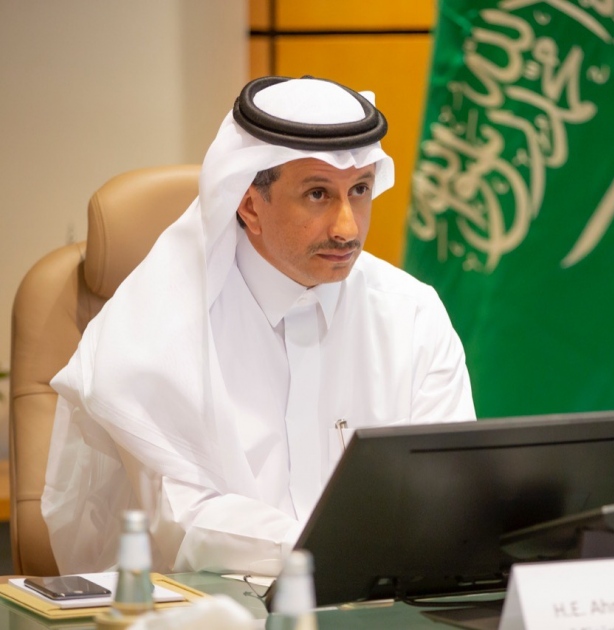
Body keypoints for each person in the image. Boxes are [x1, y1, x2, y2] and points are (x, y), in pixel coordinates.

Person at [42, 76, 476, 576]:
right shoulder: (155, 330)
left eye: (360, 190)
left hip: (377, 599)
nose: (347, 228)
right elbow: (187, 524)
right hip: (203, 605)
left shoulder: (412, 315)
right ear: (249, 204)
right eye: (318, 194)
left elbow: (448, 488)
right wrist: (343, 549)